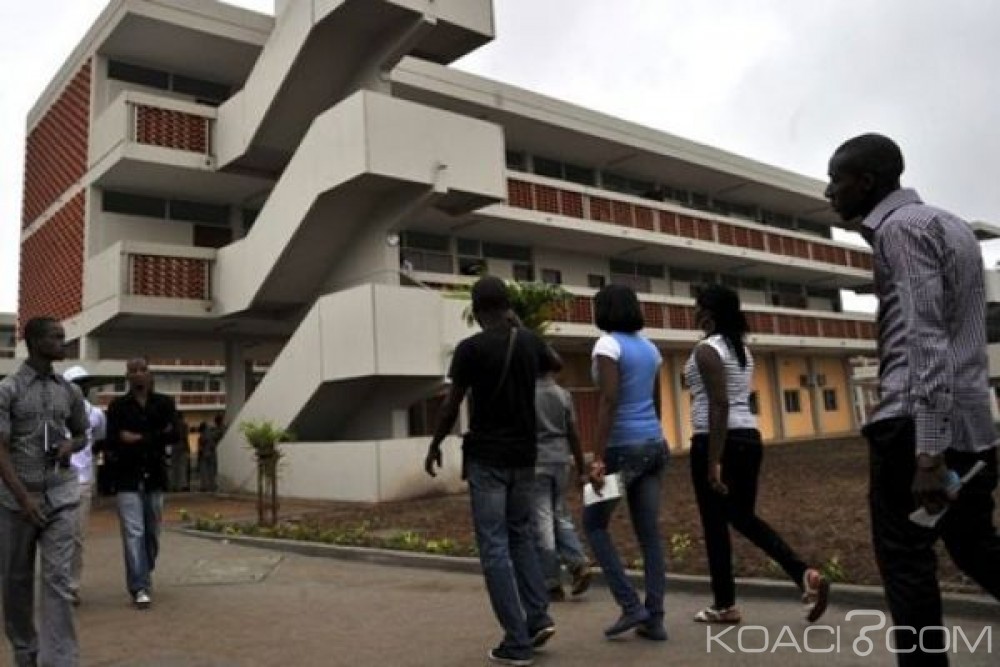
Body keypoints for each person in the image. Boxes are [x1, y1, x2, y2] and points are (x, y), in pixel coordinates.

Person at [825, 133, 1000, 664]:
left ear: (867, 182)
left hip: (915, 426)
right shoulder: (953, 227)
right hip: (974, 424)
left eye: (837, 179)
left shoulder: (898, 233)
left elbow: (925, 339)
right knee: (974, 547)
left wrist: (928, 452)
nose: (829, 192)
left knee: (906, 564)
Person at [424, 276, 555, 667]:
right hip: (524, 456)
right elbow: (557, 363)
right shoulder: (528, 341)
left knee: (494, 546)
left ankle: (516, 642)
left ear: (478, 310)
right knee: (522, 537)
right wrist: (521, 329)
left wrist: (434, 444)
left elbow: (451, 404)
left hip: (487, 460)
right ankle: (537, 618)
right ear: (507, 306)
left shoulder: (471, 349)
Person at [684, 284, 829, 624]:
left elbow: (718, 404)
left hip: (715, 440)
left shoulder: (707, 350)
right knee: (742, 517)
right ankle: (803, 574)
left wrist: (714, 460)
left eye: (697, 306)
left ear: (708, 312)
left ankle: (724, 605)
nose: (693, 312)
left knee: (715, 524)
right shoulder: (741, 351)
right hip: (749, 437)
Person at [0, 317, 89, 666]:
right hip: (15, 502)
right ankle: (25, 652)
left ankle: (61, 659)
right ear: (34, 341)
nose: (62, 342)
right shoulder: (9, 390)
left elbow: (83, 433)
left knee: (59, 581)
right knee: (16, 583)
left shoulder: (69, 390)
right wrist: (23, 498)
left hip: (61, 497)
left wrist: (72, 444)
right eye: (56, 337)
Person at [583, 284, 668, 641]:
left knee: (593, 524)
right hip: (654, 447)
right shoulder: (650, 348)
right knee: (649, 535)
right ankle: (655, 618)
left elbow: (609, 400)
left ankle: (630, 605)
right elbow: (656, 400)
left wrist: (597, 457)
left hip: (621, 450)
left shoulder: (607, 344)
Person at [105, 357, 180, 609]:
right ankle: (139, 586)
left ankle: (144, 569)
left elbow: (175, 434)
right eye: (132, 371)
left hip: (155, 477)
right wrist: (154, 437)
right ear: (127, 376)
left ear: (151, 374)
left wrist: (137, 438)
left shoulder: (164, 404)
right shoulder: (117, 407)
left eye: (142, 370)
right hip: (127, 478)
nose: (138, 374)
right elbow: (113, 440)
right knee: (133, 532)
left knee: (152, 532)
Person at [531, 351, 591, 601]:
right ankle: (577, 562)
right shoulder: (563, 394)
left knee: (542, 521)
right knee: (560, 513)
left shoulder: (526, 394)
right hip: (560, 460)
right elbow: (574, 433)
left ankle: (551, 580)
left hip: (536, 461)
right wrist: (581, 467)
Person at [63, 365, 108, 607]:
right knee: (57, 537)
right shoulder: (56, 413)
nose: (83, 388)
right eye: (78, 383)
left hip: (82, 481)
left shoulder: (96, 414)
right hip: (58, 481)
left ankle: (72, 586)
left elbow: (99, 440)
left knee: (77, 538)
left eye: (85, 384)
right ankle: (57, 584)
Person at [198, 414, 223, 492]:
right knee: (212, 471)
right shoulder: (212, 433)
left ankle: (204, 486)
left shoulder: (202, 436)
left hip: (205, 454)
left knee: (204, 471)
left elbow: (201, 446)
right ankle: (212, 485)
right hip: (211, 453)